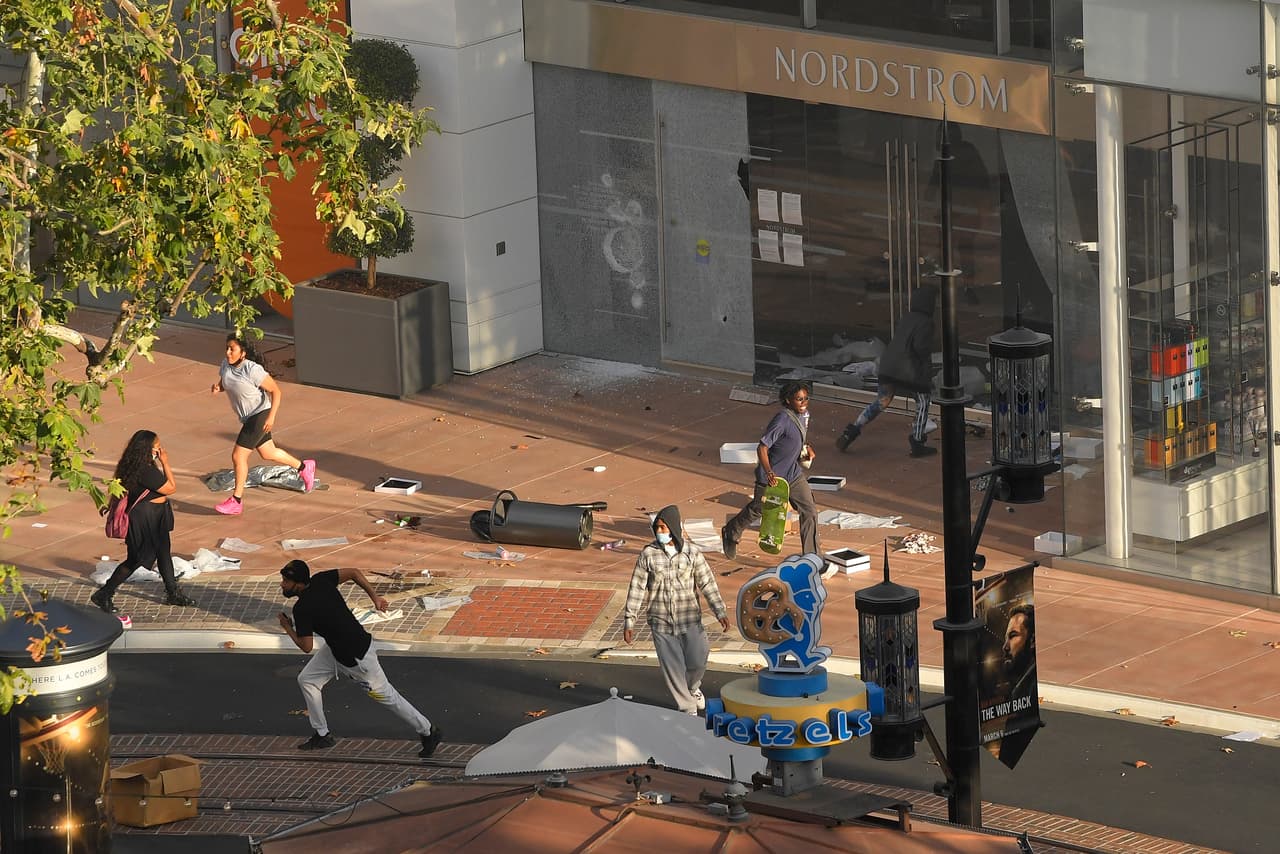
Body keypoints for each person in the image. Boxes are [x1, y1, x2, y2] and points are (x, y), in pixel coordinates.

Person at [276, 560, 443, 757]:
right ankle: (322, 734)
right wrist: (375, 598)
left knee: (388, 696)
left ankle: (428, 730)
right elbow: (354, 572)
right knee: (307, 679)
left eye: (286, 581)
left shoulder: (302, 608)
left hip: (358, 659)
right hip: (337, 649)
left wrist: (287, 627)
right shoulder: (322, 580)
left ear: (299, 584)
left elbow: (306, 647)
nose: (282, 584)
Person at [623, 505, 730, 715]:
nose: (660, 532)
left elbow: (707, 583)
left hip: (690, 619)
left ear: (673, 528)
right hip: (661, 622)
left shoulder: (692, 553)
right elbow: (637, 587)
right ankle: (686, 706)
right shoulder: (648, 554)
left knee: (698, 660)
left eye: (663, 528)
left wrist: (720, 611)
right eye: (657, 528)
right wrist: (629, 620)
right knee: (673, 668)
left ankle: (692, 688)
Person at [91, 430, 197, 612]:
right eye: (156, 447)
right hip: (145, 517)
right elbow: (170, 488)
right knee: (137, 559)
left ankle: (172, 592)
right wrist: (165, 462)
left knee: (163, 553)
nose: (159, 450)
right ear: (147, 448)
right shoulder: (145, 470)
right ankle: (105, 593)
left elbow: (120, 486)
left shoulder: (135, 464)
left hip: (156, 514)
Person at [211, 333, 316, 515]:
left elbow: (276, 391)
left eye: (232, 349)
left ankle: (236, 501)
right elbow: (225, 381)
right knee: (269, 453)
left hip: (260, 415)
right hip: (248, 417)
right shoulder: (225, 365)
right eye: (227, 348)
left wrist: (271, 417)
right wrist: (218, 387)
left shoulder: (252, 369)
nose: (228, 352)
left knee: (238, 457)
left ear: (243, 353)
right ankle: (304, 467)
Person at [720, 380, 820, 560]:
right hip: (772, 477)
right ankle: (731, 531)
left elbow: (796, 437)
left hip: (793, 474)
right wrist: (769, 472)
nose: (804, 403)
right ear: (788, 400)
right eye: (799, 399)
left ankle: (812, 558)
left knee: (810, 511)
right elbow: (762, 447)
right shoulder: (781, 420)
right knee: (759, 509)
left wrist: (807, 447)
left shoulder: (804, 416)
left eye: (806, 398)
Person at [836, 284, 938, 457]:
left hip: (888, 367)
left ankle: (853, 429)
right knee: (923, 401)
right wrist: (927, 375)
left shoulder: (906, 318)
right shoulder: (926, 322)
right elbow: (921, 349)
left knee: (881, 402)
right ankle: (917, 440)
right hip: (909, 370)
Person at [1001, 604, 1036, 701]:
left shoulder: (1031, 689)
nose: (1005, 647)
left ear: (1033, 640)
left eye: (1013, 636)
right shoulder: (1022, 689)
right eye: (1006, 639)